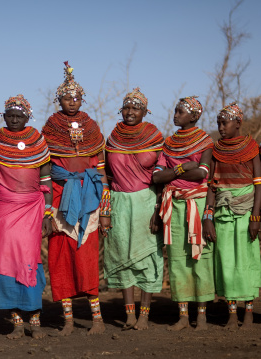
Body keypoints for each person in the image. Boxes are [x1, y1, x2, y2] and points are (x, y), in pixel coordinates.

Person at [41, 62, 108, 336]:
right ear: (59, 99)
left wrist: (106, 210)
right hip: (60, 198)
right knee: (60, 258)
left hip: (90, 198)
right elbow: (44, 172)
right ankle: (68, 321)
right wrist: (46, 211)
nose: (72, 101)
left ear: (82, 98)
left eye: (76, 97)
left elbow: (101, 172)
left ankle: (98, 320)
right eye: (67, 97)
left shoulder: (92, 128)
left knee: (87, 257)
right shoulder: (50, 128)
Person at [0, 94, 52, 339]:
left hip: (31, 208)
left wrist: (47, 213)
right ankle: (17, 322)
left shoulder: (38, 142)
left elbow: (46, 182)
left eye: (18, 116)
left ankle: (34, 321)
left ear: (27, 117)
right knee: (4, 259)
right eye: (9, 115)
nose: (13, 119)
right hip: (3, 208)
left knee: (28, 258)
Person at [104, 88, 164, 330]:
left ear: (145, 111)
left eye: (135, 108)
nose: (130, 112)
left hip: (147, 202)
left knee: (148, 258)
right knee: (122, 258)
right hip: (119, 202)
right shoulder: (113, 138)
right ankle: (129, 315)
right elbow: (105, 177)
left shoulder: (154, 136)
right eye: (126, 107)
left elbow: (162, 177)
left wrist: (159, 209)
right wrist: (106, 210)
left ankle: (144, 317)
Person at [152, 96, 215, 331]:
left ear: (194, 116)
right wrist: (181, 168)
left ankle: (202, 316)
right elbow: (157, 177)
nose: (175, 115)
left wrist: (173, 174)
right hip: (173, 206)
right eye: (175, 111)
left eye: (180, 112)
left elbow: (202, 173)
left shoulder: (205, 141)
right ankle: (183, 317)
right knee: (178, 259)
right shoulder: (168, 143)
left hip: (196, 204)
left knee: (199, 257)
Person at [202, 102, 261, 330]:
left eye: (224, 123)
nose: (221, 127)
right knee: (225, 261)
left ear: (238, 123)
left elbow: (259, 185)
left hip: (246, 211)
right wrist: (208, 217)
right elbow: (211, 186)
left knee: (246, 261)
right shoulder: (216, 150)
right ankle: (232, 313)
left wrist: (255, 218)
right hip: (222, 212)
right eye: (218, 123)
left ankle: (248, 312)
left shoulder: (252, 148)